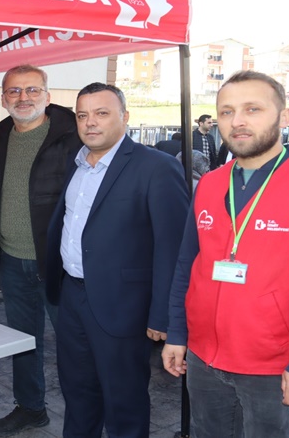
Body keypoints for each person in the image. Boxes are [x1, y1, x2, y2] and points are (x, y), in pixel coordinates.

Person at [162, 70, 289, 438]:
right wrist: (178, 332)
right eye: (226, 111)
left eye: (252, 109)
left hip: (276, 365)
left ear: (283, 117)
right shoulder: (210, 183)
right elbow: (188, 265)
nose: (236, 121)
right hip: (205, 357)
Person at [44, 82, 188, 437]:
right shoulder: (75, 164)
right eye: (82, 115)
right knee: (77, 393)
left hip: (124, 305)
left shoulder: (157, 167)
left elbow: (174, 247)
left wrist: (163, 315)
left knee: (124, 401)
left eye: (101, 113)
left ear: (125, 117)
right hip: (72, 296)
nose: (90, 123)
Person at [0, 64, 83, 437]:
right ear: (3, 99)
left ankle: (86, 414)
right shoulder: (0, 137)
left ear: (47, 95)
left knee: (75, 344)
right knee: (23, 340)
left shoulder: (72, 135)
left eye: (32, 90)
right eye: (14, 91)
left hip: (61, 263)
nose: (23, 98)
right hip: (13, 260)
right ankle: (30, 407)